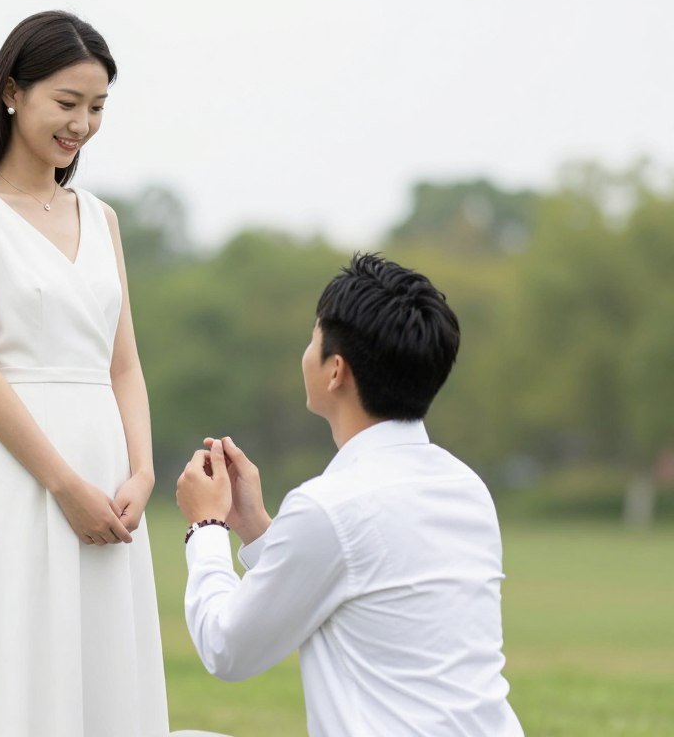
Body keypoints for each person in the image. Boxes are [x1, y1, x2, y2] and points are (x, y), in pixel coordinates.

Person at [0, 11, 169, 736]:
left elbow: (124, 363)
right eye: (67, 103)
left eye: (96, 108)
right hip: (23, 479)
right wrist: (64, 486)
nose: (83, 125)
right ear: (11, 94)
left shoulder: (101, 218)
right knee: (17, 665)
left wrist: (143, 472)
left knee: (103, 670)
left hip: (111, 478)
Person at [176, 253, 524, 736]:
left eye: (313, 339)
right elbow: (351, 576)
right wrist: (253, 526)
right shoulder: (465, 487)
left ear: (335, 370)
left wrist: (206, 527)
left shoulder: (330, 505)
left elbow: (226, 648)